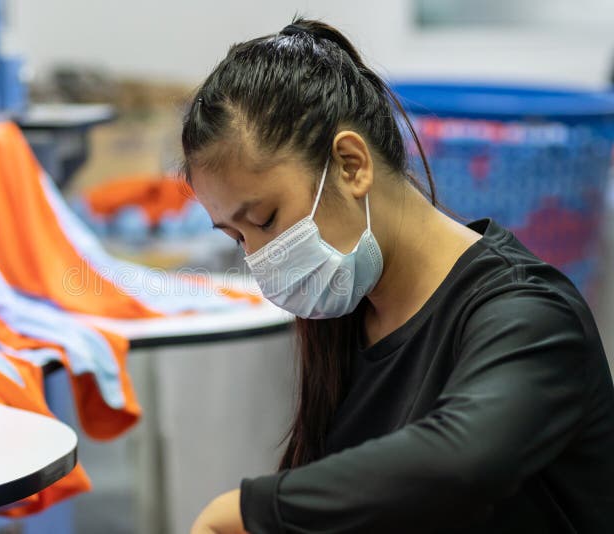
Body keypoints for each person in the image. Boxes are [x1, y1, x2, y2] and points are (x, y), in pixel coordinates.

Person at [183, 18, 614, 534]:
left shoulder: (530, 316)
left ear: (350, 164)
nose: (260, 257)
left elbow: (459, 464)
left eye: (265, 220)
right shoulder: (348, 309)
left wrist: (244, 511)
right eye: (237, 238)